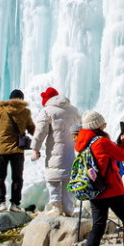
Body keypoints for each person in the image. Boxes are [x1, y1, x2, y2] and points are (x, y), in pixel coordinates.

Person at [75, 110, 124, 246]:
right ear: (97, 125)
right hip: (112, 190)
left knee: (98, 226)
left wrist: (116, 144)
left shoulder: (84, 143)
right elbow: (122, 154)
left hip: (95, 191)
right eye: (102, 122)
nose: (104, 124)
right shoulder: (102, 142)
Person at [30, 87, 82, 216]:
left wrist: (35, 148)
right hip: (71, 151)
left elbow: (41, 132)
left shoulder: (47, 111)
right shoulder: (74, 110)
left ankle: (57, 206)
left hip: (55, 151)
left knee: (53, 178)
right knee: (68, 179)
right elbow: (80, 129)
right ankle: (69, 208)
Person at [0, 89, 35, 213]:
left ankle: (0, 203)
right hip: (18, 149)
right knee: (17, 177)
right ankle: (15, 204)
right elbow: (32, 128)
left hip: (1, 148)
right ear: (22, 99)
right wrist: (40, 141)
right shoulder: (25, 111)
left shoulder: (0, 110)